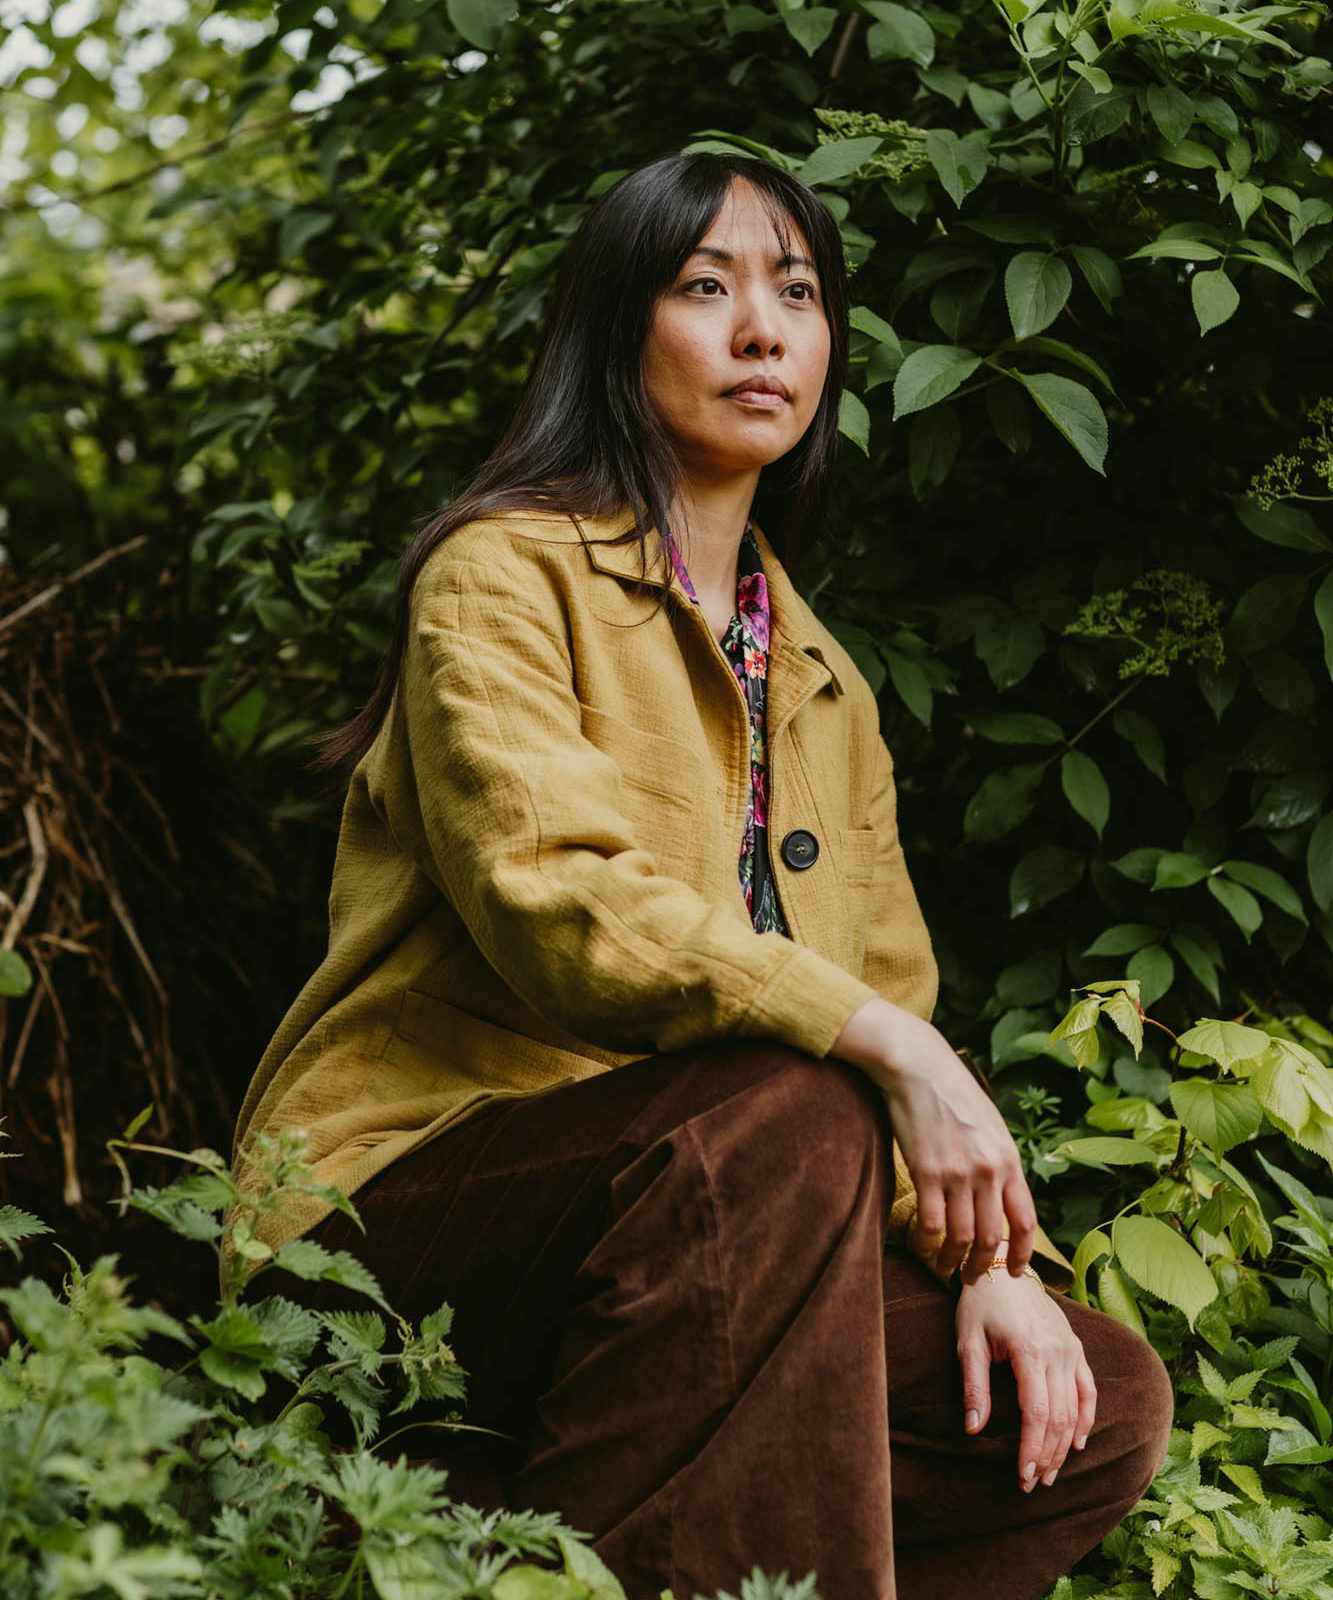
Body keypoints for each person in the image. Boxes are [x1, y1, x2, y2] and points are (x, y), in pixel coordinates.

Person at [233, 152, 1173, 1600]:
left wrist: (990, 1265)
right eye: (706, 286)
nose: (763, 331)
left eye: (796, 293)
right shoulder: (500, 574)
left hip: (724, 1216)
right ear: (620, 332)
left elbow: (885, 989)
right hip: (407, 1207)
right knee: (790, 1109)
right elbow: (563, 906)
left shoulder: (822, 681)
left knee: (1087, 1401)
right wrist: (889, 1050)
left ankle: (524, 1529)